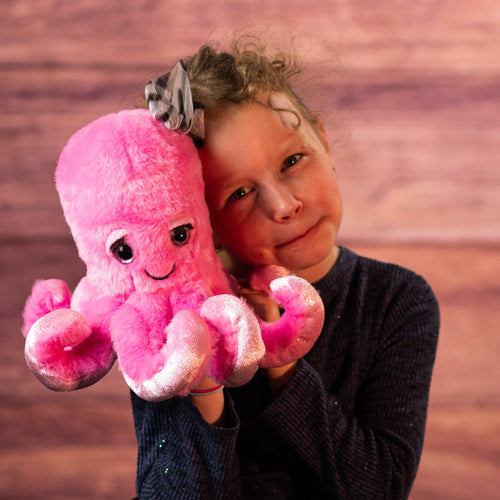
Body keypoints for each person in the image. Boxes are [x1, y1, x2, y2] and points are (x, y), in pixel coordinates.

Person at [131, 37, 440, 499]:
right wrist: (202, 386)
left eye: (293, 161)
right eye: (238, 193)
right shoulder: (170, 321)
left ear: (324, 140)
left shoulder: (395, 299)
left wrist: (284, 361)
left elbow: (381, 487)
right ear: (200, 219)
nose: (284, 205)